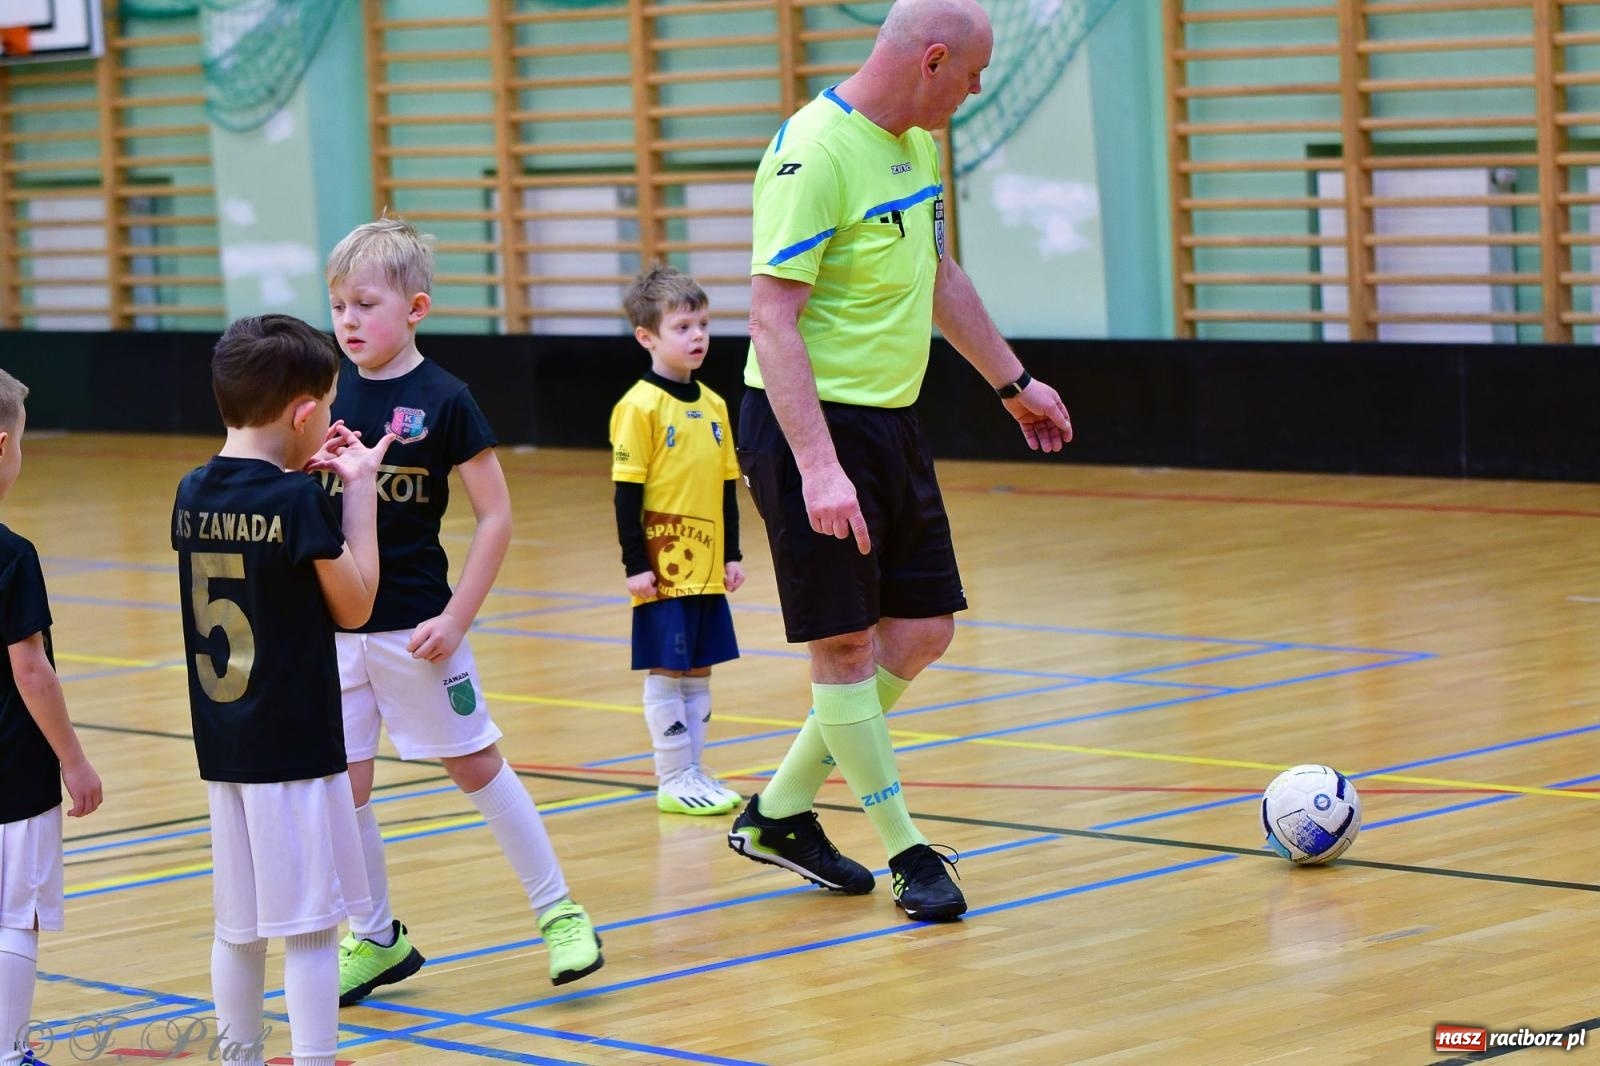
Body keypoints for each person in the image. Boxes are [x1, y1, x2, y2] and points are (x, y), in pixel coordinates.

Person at [726, 0, 1073, 922]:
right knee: (842, 645)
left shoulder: (917, 149)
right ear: (931, 60)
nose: (976, 89)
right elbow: (773, 320)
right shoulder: (812, 154)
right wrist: (819, 468)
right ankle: (908, 853)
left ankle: (780, 812)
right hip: (808, 427)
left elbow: (939, 278)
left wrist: (1014, 383)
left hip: (891, 423)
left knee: (920, 633)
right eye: (972, 73)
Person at [319, 217, 602, 1005]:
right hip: (331, 633)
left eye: (364, 304)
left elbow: (496, 518)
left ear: (415, 308)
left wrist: (459, 618)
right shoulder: (322, 395)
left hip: (415, 628)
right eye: (337, 304)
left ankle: (560, 913)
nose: (347, 321)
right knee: (344, 788)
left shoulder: (446, 400)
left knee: (476, 763)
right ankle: (372, 938)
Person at [171, 314, 390, 1065]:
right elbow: (356, 604)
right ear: (303, 413)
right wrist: (357, 492)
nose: (330, 420)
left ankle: (237, 1056)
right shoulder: (299, 504)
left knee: (238, 927)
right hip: (292, 749)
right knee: (309, 928)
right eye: (326, 408)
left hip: (224, 745)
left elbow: (253, 527)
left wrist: (299, 477)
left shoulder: (191, 491)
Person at [610, 265, 746, 816]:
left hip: (707, 563)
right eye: (683, 326)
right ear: (647, 337)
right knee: (666, 667)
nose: (698, 337)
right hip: (663, 565)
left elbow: (727, 485)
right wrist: (634, 564)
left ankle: (693, 768)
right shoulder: (638, 407)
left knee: (700, 667)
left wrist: (732, 552)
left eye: (704, 324)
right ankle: (671, 776)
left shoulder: (713, 405)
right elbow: (626, 494)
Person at [0, 370, 103, 1066]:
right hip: (14, 768)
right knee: (15, 915)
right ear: (1, 447)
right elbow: (31, 671)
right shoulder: (12, 557)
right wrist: (73, 757)